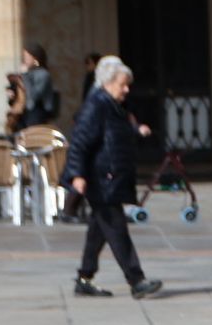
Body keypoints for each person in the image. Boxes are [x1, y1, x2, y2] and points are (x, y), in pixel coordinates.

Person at [61, 55, 162, 300]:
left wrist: (135, 130)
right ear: (107, 83)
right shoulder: (96, 105)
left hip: (110, 177)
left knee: (98, 230)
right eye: (122, 84)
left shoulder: (112, 106)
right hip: (100, 179)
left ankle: (84, 279)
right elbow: (79, 143)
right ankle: (136, 280)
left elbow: (113, 133)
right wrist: (77, 175)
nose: (126, 90)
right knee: (117, 229)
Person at [19, 44, 59, 128]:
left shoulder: (43, 74)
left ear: (35, 58)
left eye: (27, 57)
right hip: (28, 113)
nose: (24, 60)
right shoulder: (31, 72)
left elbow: (33, 96)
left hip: (38, 115)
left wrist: (25, 75)